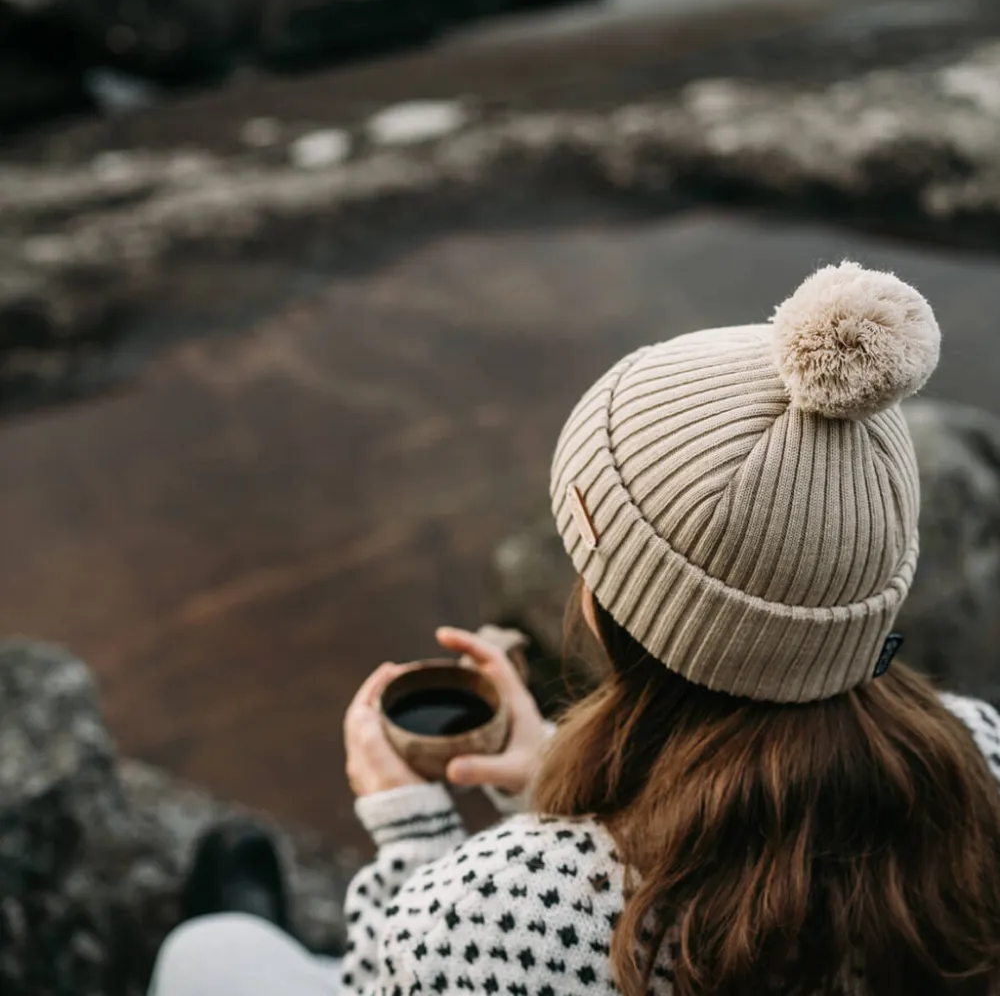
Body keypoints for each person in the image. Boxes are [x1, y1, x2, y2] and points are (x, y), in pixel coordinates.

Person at [151, 261, 1000, 996]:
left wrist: (411, 835)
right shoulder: (978, 755)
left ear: (605, 607)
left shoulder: (512, 906)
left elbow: (419, 971)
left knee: (206, 953)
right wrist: (551, 774)